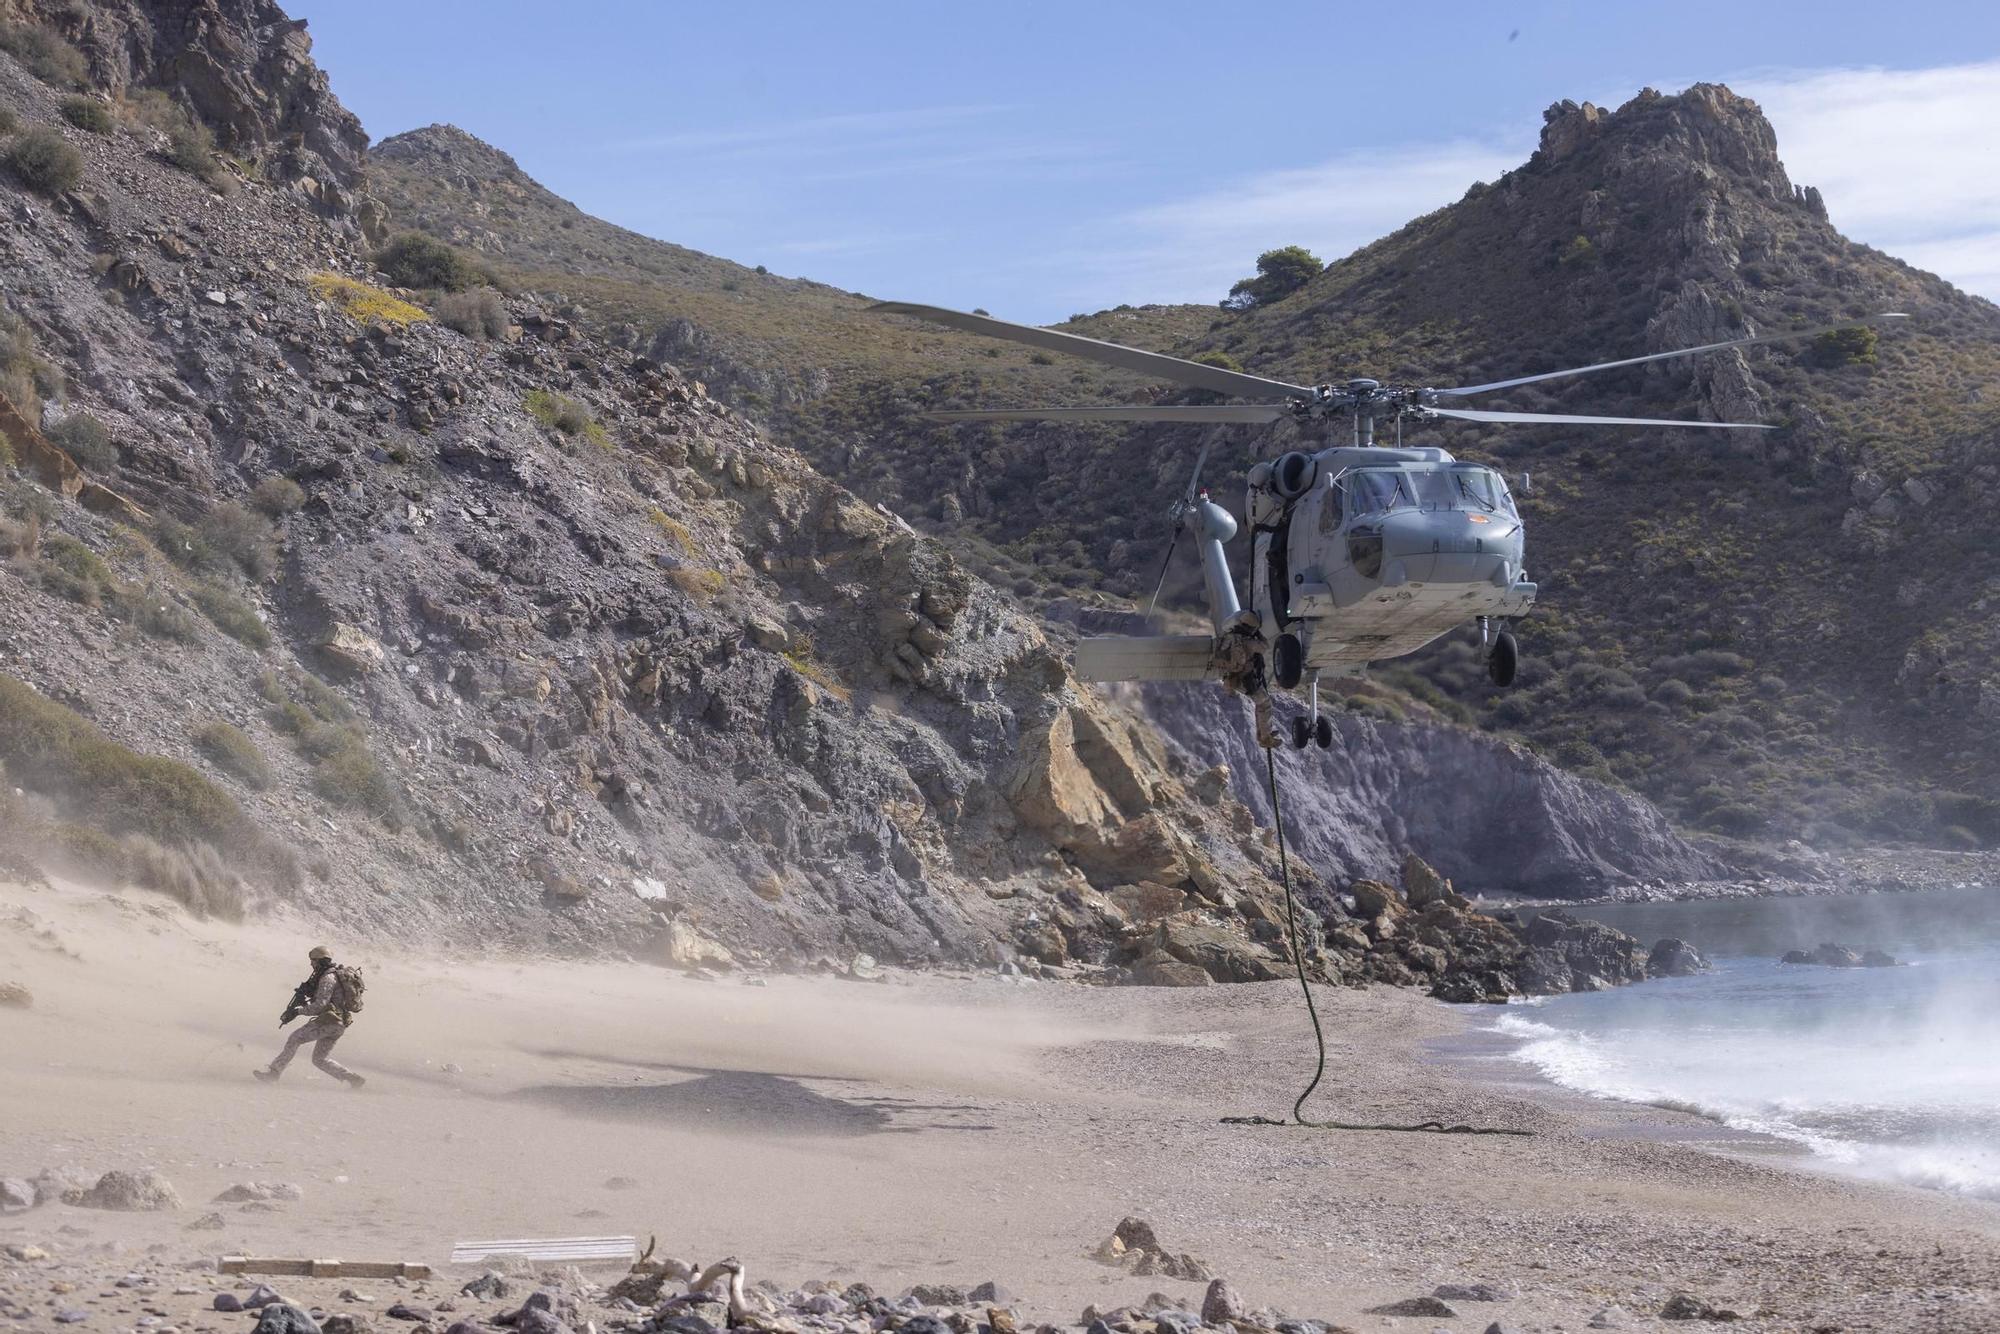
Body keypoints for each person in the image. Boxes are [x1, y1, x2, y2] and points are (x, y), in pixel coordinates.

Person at [254, 945, 365, 1088]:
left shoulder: (328, 978)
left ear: (321, 961)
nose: (311, 963)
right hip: (340, 1024)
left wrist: (297, 1011)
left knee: (295, 1039)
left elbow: (320, 1004)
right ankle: (353, 1079)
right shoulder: (334, 976)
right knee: (320, 1059)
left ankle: (274, 1073)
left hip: (329, 1021)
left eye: (313, 960)